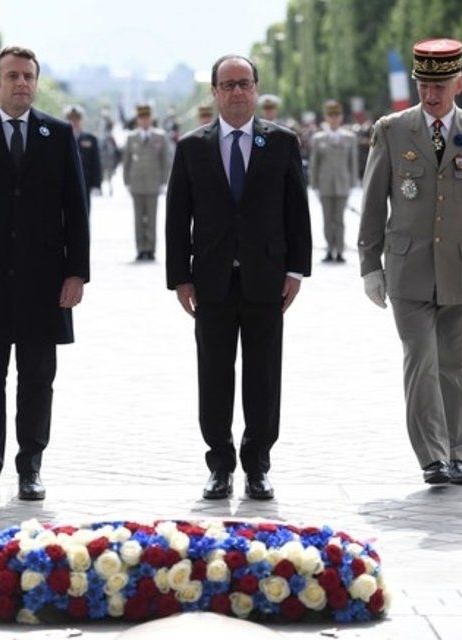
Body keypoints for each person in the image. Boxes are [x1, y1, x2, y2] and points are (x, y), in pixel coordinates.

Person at [357, 38, 462, 486]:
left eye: (441, 85)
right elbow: (373, 204)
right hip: (408, 270)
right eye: (424, 85)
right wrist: (369, 264)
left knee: (458, 366)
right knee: (421, 360)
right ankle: (432, 456)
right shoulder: (391, 131)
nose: (431, 95)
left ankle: (457, 453)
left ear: (459, 83)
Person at [0, 45, 90, 501]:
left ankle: (31, 467)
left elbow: (76, 210)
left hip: (45, 281)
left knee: (38, 377)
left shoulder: (58, 134)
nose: (22, 83)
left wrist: (76, 273)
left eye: (28, 76)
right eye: (13, 76)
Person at [166, 54, 312, 501]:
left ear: (255, 88)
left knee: (264, 374)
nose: (236, 92)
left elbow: (296, 212)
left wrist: (295, 269)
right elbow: (177, 218)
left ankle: (258, 465)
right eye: (227, 85)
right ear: (214, 92)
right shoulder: (193, 147)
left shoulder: (282, 142)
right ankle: (219, 463)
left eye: (244, 83)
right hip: (211, 281)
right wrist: (180, 278)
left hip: (266, 279)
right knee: (214, 373)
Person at [309, 99, 358, 263]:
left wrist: (353, 183)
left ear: (341, 117)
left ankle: (340, 250)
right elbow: (314, 163)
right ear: (326, 118)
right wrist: (314, 184)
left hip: (343, 184)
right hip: (325, 184)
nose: (334, 119)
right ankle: (330, 249)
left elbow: (353, 162)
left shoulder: (349, 137)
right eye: (331, 115)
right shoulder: (318, 138)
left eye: (336, 115)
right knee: (327, 219)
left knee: (340, 220)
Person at [122, 103, 170, 261]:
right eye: (141, 118)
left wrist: (164, 181)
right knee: (138, 219)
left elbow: (165, 160)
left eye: (147, 118)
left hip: (153, 183)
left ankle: (150, 249)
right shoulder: (131, 137)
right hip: (136, 183)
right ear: (137, 120)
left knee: (151, 217)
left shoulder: (160, 136)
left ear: (151, 119)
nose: (144, 121)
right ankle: (140, 248)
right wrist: (126, 181)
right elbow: (126, 161)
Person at [65, 105, 102, 214]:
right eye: (71, 119)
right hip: (66, 182)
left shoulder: (90, 139)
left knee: (84, 213)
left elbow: (96, 163)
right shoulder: (60, 137)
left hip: (85, 182)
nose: (74, 122)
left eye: (77, 119)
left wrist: (96, 184)